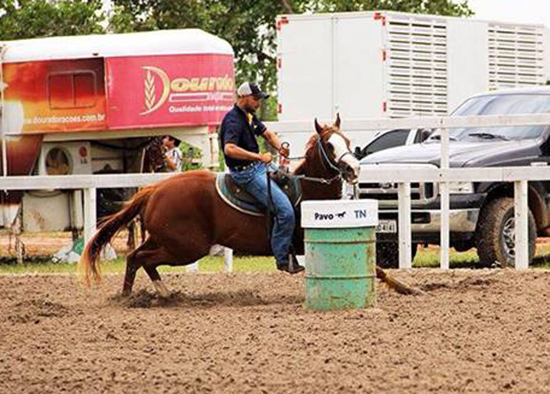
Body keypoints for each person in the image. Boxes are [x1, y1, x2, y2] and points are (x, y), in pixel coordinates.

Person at [220, 82, 304, 274]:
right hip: (246, 174)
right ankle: (283, 258)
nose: (258, 102)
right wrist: (259, 157)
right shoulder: (233, 120)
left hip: (258, 167)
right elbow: (229, 149)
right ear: (243, 97)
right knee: (285, 211)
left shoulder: (248, 116)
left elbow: (267, 134)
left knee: (293, 187)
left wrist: (280, 146)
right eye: (255, 98)